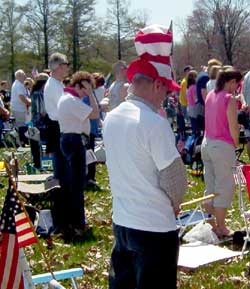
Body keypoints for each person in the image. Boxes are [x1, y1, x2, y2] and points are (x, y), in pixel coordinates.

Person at [103, 24, 187, 289]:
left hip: (123, 222)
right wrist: (176, 202)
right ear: (156, 85)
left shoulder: (112, 118)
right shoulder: (154, 123)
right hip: (153, 227)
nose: (166, 96)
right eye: (165, 89)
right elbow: (174, 179)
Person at [57, 71, 99, 239]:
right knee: (76, 185)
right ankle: (77, 224)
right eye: (84, 90)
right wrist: (91, 95)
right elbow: (95, 114)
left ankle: (72, 222)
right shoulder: (71, 100)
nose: (84, 94)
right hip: (74, 141)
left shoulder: (69, 99)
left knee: (73, 183)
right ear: (77, 85)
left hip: (71, 140)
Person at [201, 67, 242, 238]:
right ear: (231, 82)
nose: (236, 88)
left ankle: (211, 222)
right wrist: (236, 143)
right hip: (222, 145)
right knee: (225, 185)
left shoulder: (210, 95)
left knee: (210, 182)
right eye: (236, 84)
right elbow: (233, 126)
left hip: (206, 143)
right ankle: (221, 226)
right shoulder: (228, 98)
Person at [44, 52, 70, 230]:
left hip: (60, 127)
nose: (67, 67)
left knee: (63, 170)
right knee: (61, 172)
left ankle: (62, 210)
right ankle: (61, 213)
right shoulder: (53, 85)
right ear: (57, 66)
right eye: (65, 64)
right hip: (57, 128)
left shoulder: (57, 84)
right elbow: (60, 111)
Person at [30, 73, 49, 169]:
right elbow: (41, 110)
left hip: (36, 123)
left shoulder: (36, 93)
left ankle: (38, 164)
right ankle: (37, 164)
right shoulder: (38, 94)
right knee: (36, 146)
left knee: (36, 146)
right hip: (39, 124)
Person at [10, 69, 31, 145]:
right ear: (19, 76)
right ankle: (23, 141)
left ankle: (22, 141)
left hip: (19, 108)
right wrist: (30, 103)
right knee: (22, 125)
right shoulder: (18, 84)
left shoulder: (18, 84)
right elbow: (22, 97)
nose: (25, 75)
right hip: (19, 109)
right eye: (23, 74)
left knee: (22, 125)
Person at [186, 70, 198, 135]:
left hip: (190, 108)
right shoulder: (194, 87)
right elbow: (195, 99)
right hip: (194, 108)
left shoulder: (188, 87)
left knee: (193, 127)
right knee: (196, 128)